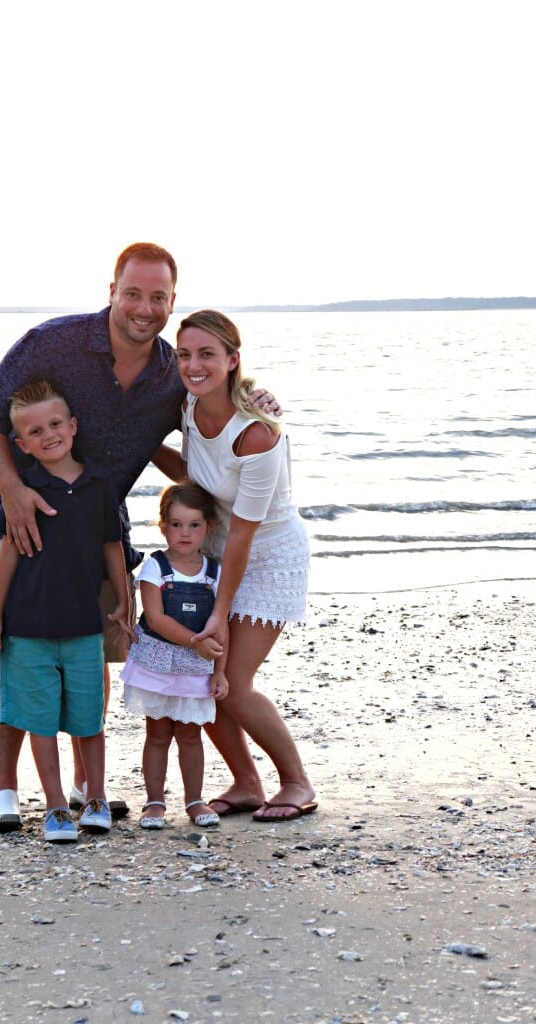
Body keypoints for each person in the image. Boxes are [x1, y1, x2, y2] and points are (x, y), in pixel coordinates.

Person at [0, 242, 279, 832]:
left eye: (157, 297)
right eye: (132, 293)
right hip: (26, 520)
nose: (143, 307)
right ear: (112, 291)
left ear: (171, 302)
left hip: (100, 529)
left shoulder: (172, 372)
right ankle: (4, 788)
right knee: (16, 651)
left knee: (99, 644)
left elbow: (214, 406)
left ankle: (88, 785)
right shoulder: (53, 342)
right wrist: (12, 491)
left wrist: (257, 402)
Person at [168, 309, 317, 822]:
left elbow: (244, 538)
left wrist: (218, 613)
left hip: (268, 556)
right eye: (184, 354)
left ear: (233, 360)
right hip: (221, 550)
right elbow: (198, 475)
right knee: (201, 674)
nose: (193, 364)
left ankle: (297, 781)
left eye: (207, 354)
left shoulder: (257, 435)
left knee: (231, 676)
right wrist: (139, 450)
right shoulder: (188, 405)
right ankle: (246, 782)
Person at [0, 380, 133, 841]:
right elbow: (8, 553)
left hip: (85, 625)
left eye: (55, 424)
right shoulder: (23, 488)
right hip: (28, 628)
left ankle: (96, 796)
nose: (48, 435)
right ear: (20, 444)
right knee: (41, 720)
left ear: (73, 425)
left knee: (89, 719)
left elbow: (112, 545)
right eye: (34, 431)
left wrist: (123, 597)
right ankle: (56, 808)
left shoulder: (100, 483)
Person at [120, 481, 228, 830]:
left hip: (196, 668)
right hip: (157, 665)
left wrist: (220, 671)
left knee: (191, 735)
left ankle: (195, 800)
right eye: (176, 524)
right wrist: (194, 642)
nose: (185, 533)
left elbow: (220, 625)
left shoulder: (214, 572)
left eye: (194, 525)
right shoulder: (155, 567)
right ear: (163, 526)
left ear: (207, 528)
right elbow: (156, 618)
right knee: (157, 734)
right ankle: (154, 802)